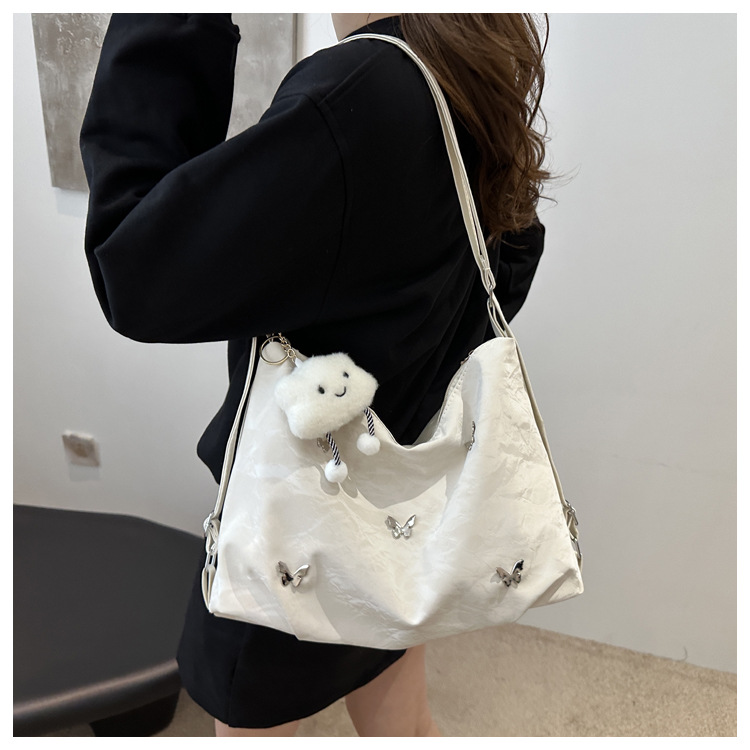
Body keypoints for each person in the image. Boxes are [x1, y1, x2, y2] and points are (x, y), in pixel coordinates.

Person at [80, 12, 550, 737]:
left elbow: (135, 270)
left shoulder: (358, 92)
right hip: (400, 517)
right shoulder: (463, 65)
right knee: (404, 722)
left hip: (301, 530)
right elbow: (508, 264)